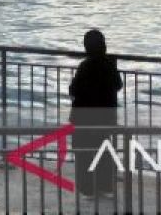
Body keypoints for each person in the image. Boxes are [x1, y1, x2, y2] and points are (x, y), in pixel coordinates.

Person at [68, 29, 123, 198]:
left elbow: (74, 89)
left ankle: (87, 189)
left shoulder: (85, 66)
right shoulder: (109, 65)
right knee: (104, 150)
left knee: (84, 152)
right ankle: (105, 186)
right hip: (106, 117)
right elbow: (118, 85)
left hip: (84, 117)